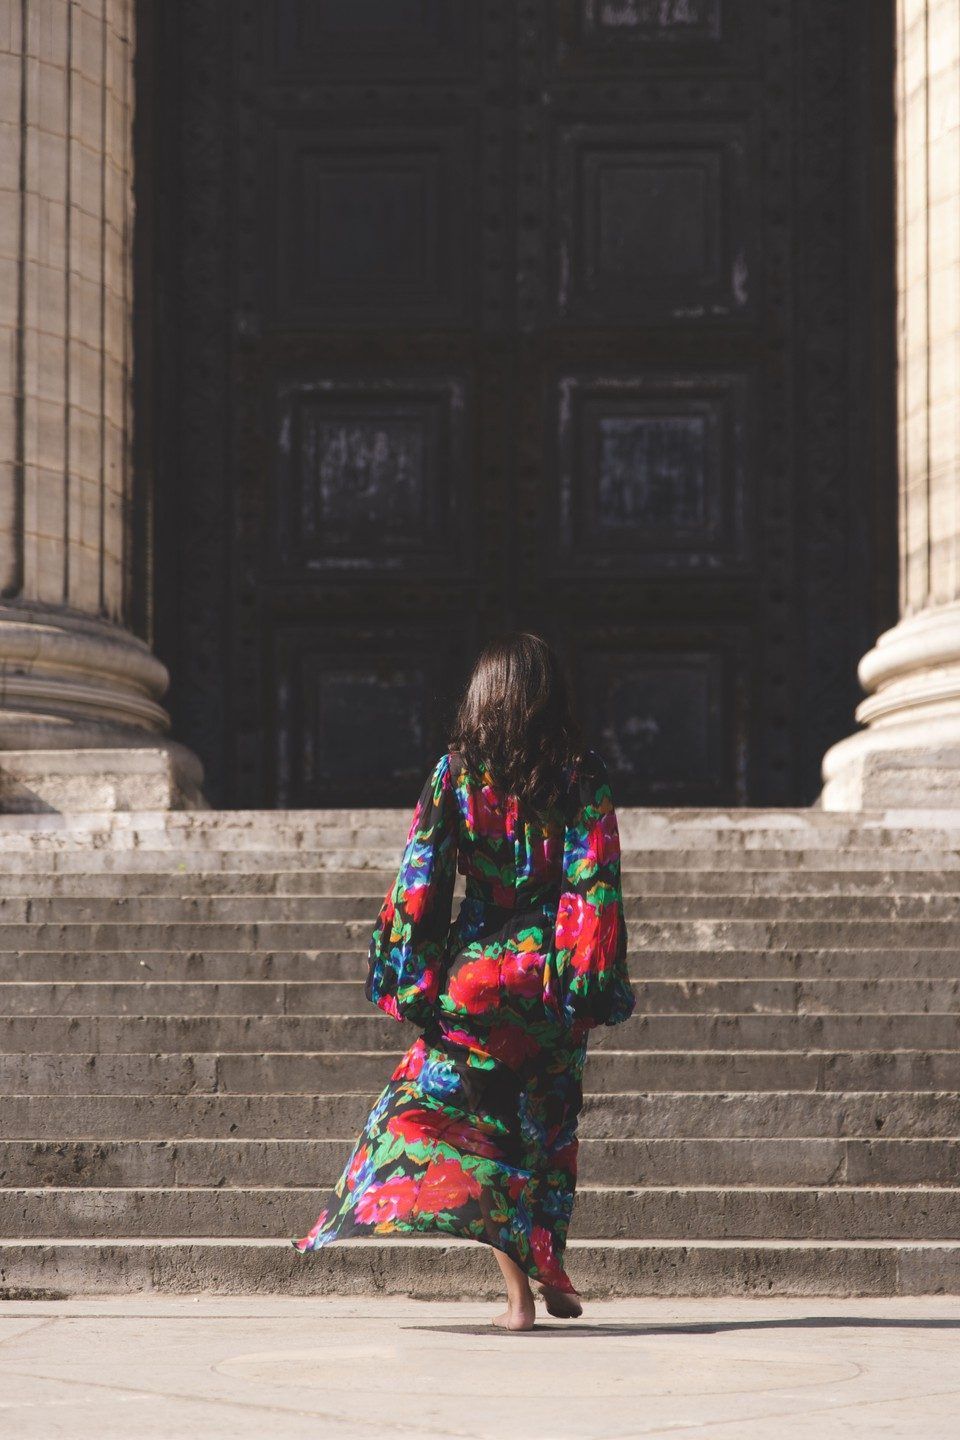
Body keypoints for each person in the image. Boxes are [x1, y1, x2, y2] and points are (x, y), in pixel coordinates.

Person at [292, 631, 636, 1330]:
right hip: (549, 980)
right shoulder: (581, 773)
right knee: (548, 1126)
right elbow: (593, 880)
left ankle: (518, 1301)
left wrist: (410, 974)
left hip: (475, 977)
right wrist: (585, 980)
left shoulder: (458, 772)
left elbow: (422, 874)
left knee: (475, 1131)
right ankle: (554, 1267)